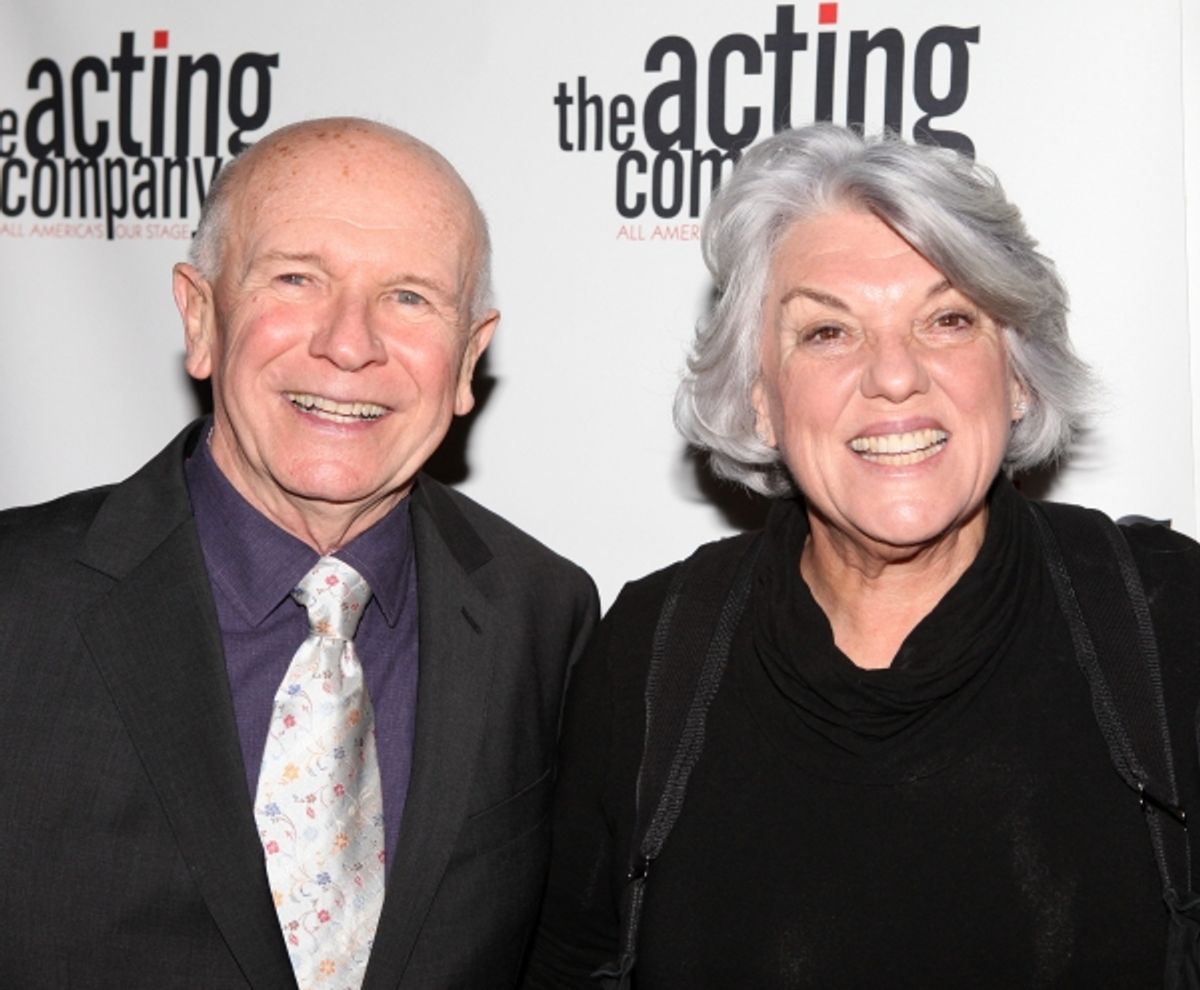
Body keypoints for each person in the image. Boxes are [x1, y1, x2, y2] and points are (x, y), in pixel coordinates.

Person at [524, 124, 1200, 988]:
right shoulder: (651, 651)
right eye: (827, 332)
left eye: (947, 319)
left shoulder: (1166, 617)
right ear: (760, 396)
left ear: (1018, 373)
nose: (894, 376)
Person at [0, 117, 598, 990]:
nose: (349, 343)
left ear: (469, 357)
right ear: (201, 316)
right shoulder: (17, 605)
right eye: (296, 278)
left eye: (409, 297)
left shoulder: (543, 614)